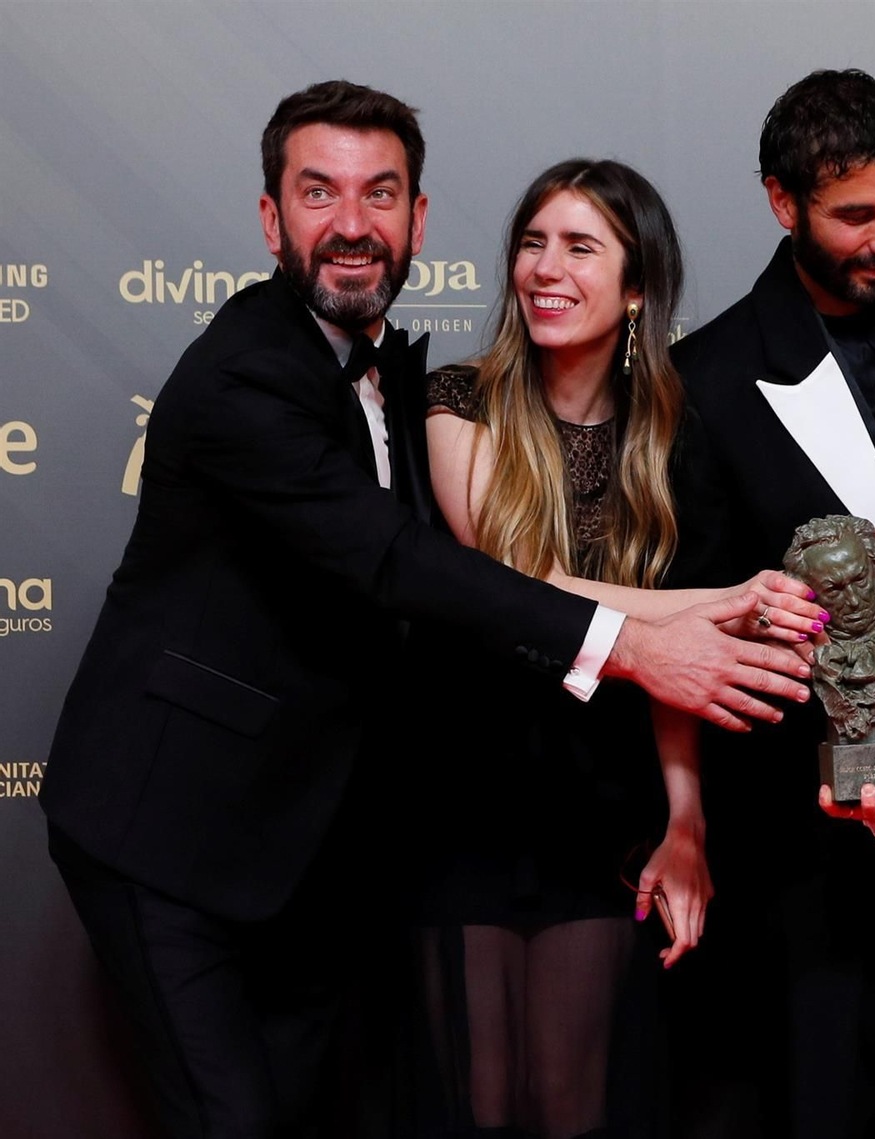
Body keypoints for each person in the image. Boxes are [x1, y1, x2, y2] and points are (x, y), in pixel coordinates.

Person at [38, 81, 811, 1139]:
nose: (352, 223)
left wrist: (684, 795)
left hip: (312, 840)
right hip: (170, 828)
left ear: (418, 219)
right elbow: (411, 561)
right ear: (272, 219)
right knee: (233, 1117)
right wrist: (643, 640)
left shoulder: (390, 376)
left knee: (313, 1106)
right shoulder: (245, 379)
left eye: (380, 193)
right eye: (319, 192)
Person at [404, 158, 824, 1139]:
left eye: (580, 246)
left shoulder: (672, 432)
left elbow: (674, 666)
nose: (546, 268)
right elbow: (505, 570)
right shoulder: (456, 398)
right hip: (461, 790)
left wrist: (686, 821)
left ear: (636, 286)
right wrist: (707, 599)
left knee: (566, 1100)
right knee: (478, 1101)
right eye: (533, 241)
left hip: (595, 806)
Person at [667, 68, 875, 1137]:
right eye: (856, 215)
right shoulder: (704, 379)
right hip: (815, 849)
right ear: (781, 202)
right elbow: (694, 614)